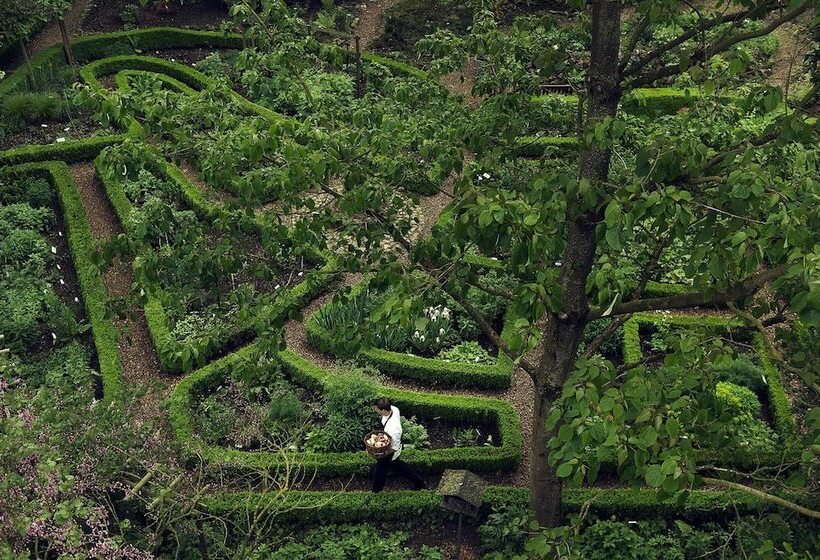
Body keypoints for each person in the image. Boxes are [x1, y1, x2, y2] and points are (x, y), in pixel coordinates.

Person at [371, 397, 427, 492]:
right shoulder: (394, 409)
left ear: (384, 411)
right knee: (400, 467)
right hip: (389, 443)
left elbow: (394, 447)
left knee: (380, 472)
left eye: (377, 409)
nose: (375, 410)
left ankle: (376, 492)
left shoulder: (394, 429)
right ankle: (420, 482)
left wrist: (382, 454)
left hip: (390, 452)